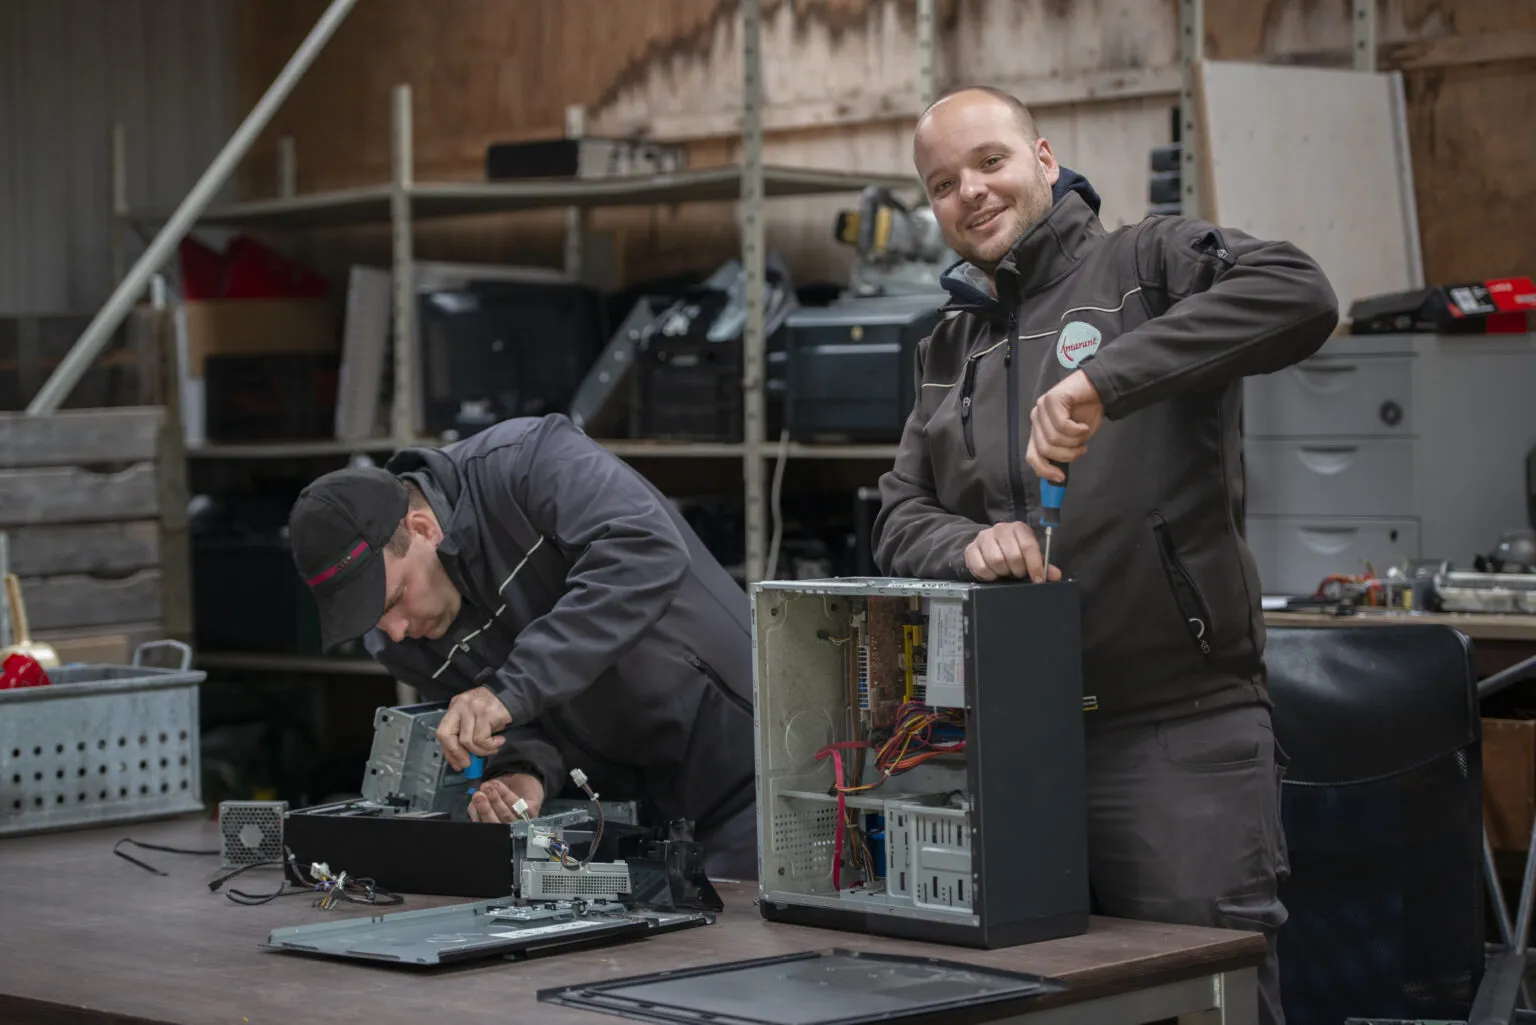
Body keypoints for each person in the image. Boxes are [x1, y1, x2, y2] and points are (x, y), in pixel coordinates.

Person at [872, 85, 1339, 1025]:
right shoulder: (949, 344)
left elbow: (1301, 292)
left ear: (1044, 159)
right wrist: (969, 543)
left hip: (1176, 736)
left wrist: (1106, 378)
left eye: (990, 161)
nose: (971, 191)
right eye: (944, 183)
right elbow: (898, 514)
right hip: (1014, 751)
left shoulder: (1148, 264)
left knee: (1204, 1001)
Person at [286, 413, 759, 880]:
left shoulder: (528, 461)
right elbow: (527, 722)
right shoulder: (400, 643)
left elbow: (645, 552)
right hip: (632, 822)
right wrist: (521, 773)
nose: (393, 632)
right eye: (373, 618)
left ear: (423, 529)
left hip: (745, 773)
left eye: (393, 600)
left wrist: (507, 692)